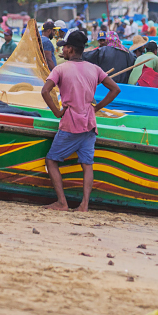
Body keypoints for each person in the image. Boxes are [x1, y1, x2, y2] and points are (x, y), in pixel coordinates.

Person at [40, 29, 120, 212]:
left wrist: (57, 112)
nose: (63, 51)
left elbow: (45, 91)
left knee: (51, 161)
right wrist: (96, 108)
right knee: (87, 165)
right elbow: (115, 89)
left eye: (65, 48)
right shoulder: (95, 69)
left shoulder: (61, 68)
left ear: (70, 49)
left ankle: (62, 202)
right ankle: (84, 205)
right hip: (90, 124)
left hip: (70, 123)